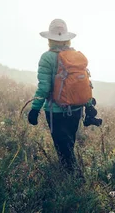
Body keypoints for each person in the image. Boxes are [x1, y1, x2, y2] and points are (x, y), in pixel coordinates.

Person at [27, 18, 99, 174]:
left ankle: (72, 179)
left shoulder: (47, 57)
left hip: (56, 111)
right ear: (67, 38)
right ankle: (70, 176)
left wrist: (35, 109)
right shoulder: (75, 56)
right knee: (69, 143)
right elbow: (84, 83)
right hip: (77, 108)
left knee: (62, 147)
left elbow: (44, 87)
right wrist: (88, 105)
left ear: (49, 39)